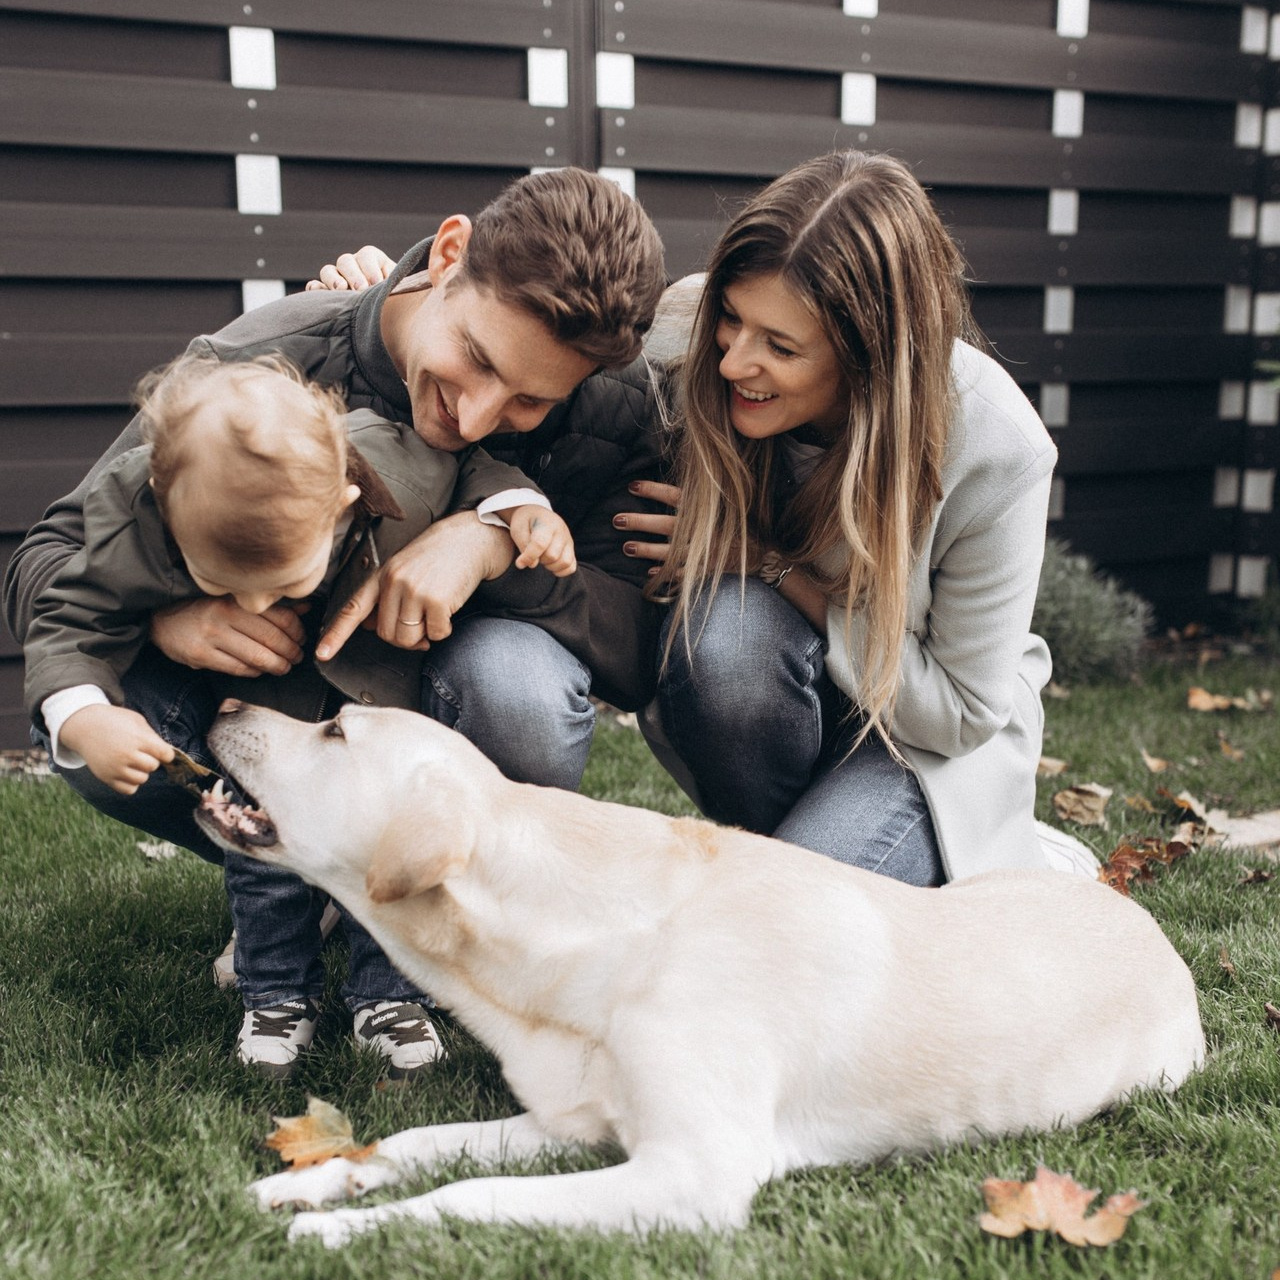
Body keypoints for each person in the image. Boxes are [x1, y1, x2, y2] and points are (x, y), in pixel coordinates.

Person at [3, 167, 669, 1076]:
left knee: (519, 688)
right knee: (100, 720)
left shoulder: (617, 408)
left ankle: (413, 937)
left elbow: (638, 650)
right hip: (266, 687)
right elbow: (47, 564)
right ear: (448, 255)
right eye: (475, 357)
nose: (477, 416)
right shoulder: (250, 370)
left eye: (528, 402)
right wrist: (173, 620)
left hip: (449, 678)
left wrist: (483, 549)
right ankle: (305, 883)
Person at [22, 352, 572, 1079]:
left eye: (282, 580)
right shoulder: (139, 515)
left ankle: (392, 996)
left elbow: (476, 473)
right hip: (263, 715)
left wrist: (521, 513)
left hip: (377, 697)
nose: (251, 608)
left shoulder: (396, 462)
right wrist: (82, 716)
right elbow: (67, 619)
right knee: (264, 839)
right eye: (219, 582)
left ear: (343, 504)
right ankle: (276, 993)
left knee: (387, 840)